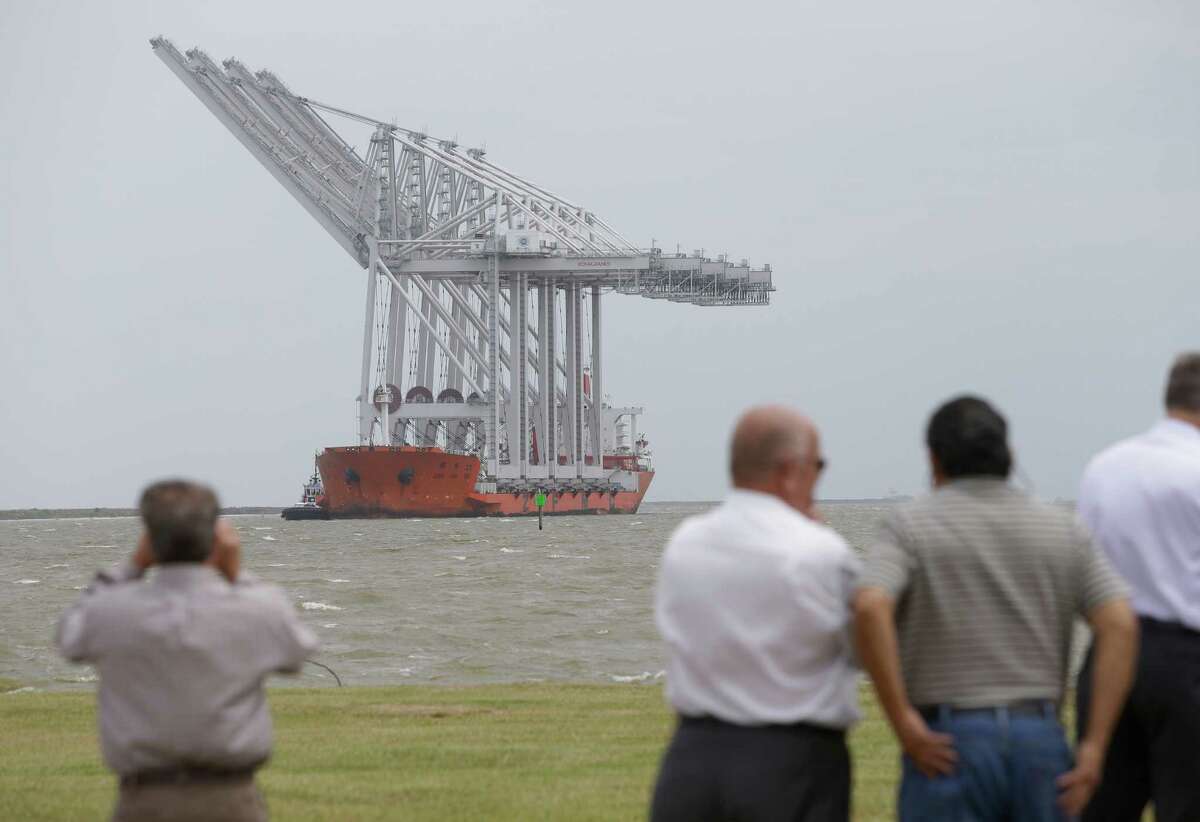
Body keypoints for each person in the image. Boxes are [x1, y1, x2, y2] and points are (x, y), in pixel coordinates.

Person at [854, 396, 1138, 821]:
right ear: (1010, 455)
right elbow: (1119, 622)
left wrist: (903, 720)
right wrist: (1095, 745)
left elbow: (870, 604)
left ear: (933, 460)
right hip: (1038, 734)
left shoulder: (910, 526)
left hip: (949, 740)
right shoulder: (1061, 528)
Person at [57, 480, 319, 822]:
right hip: (232, 799)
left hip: (143, 801)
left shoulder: (110, 611)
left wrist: (131, 567)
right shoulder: (258, 608)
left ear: (148, 538)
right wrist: (236, 574)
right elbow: (298, 651)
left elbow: (68, 638)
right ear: (216, 537)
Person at [650, 406, 861, 822]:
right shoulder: (821, 551)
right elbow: (863, 649)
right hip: (791, 761)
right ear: (790, 470)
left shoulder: (684, 544)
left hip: (691, 761)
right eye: (818, 466)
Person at [1074, 352, 1200, 822]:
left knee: (1102, 803)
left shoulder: (1104, 467)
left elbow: (1081, 568)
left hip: (1107, 651)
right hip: (1185, 658)